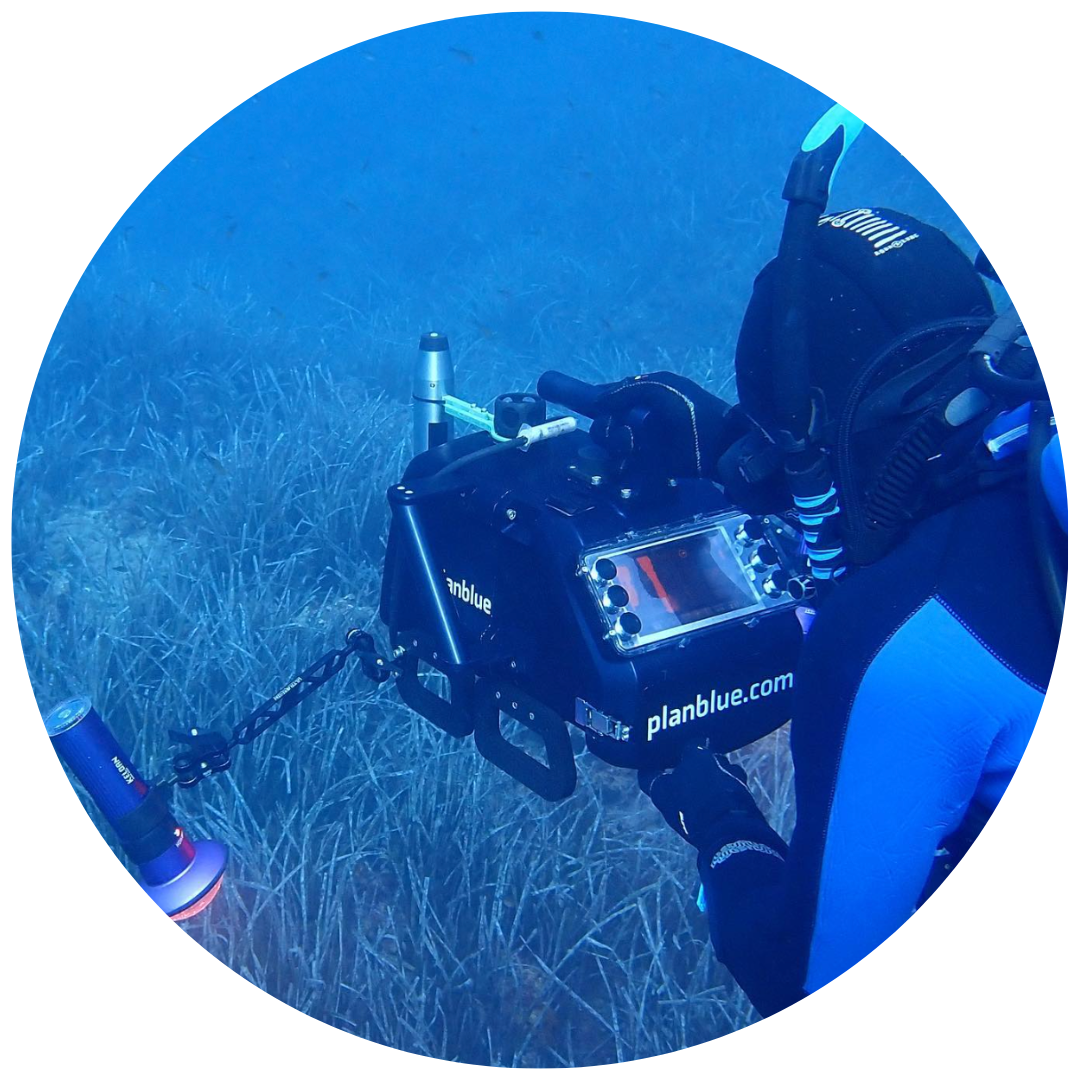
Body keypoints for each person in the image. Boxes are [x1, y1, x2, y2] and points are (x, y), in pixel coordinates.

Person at [591, 208, 1066, 1017]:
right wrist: (737, 443)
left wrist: (720, 820)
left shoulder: (892, 643)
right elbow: (908, 444)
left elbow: (808, 980)